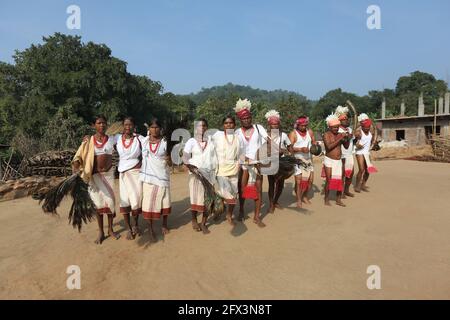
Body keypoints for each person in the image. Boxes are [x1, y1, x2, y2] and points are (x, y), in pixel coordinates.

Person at [72, 115, 120, 244]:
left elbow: (128, 135)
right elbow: (79, 155)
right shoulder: (89, 141)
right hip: (94, 177)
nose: (102, 125)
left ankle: (110, 229)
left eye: (104, 123)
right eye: (99, 123)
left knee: (110, 203)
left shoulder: (112, 139)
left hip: (108, 175)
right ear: (94, 125)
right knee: (98, 205)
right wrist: (76, 168)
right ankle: (101, 232)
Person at [235, 98, 269, 228]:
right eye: (244, 119)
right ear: (240, 120)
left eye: (248, 118)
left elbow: (267, 142)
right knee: (242, 190)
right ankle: (241, 210)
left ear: (251, 117)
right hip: (244, 165)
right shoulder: (237, 132)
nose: (247, 120)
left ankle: (256, 216)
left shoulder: (259, 128)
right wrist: (245, 159)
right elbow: (236, 149)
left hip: (257, 165)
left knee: (258, 191)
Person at [183, 118, 218, 234]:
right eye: (199, 126)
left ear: (207, 128)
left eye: (204, 126)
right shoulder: (191, 141)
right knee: (195, 198)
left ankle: (203, 223)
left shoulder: (211, 141)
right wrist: (189, 166)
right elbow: (186, 155)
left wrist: (215, 172)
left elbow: (215, 157)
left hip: (209, 174)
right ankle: (194, 220)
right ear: (195, 128)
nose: (201, 128)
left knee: (207, 199)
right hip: (195, 175)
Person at [140, 118, 172, 241]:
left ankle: (164, 224)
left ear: (161, 129)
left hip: (162, 176)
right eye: (152, 127)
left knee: (165, 201)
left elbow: (170, 163)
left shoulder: (165, 142)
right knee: (148, 203)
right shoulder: (144, 141)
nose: (154, 129)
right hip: (148, 177)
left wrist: (169, 159)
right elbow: (126, 136)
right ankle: (151, 228)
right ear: (149, 129)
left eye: (157, 127)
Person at [115, 117, 145, 240]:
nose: (128, 127)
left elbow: (152, 142)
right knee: (125, 200)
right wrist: (87, 139)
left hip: (136, 172)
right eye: (126, 125)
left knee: (136, 200)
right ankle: (128, 228)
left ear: (134, 126)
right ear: (123, 126)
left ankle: (135, 224)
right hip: (123, 173)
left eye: (130, 125)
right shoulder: (116, 138)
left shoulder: (139, 139)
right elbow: (101, 139)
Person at [212, 115, 240, 226]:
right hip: (221, 171)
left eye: (231, 123)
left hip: (234, 170)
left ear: (234, 125)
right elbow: (208, 145)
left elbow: (241, 153)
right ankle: (218, 210)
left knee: (233, 195)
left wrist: (240, 164)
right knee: (227, 195)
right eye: (226, 123)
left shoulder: (238, 137)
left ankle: (229, 214)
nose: (228, 125)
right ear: (223, 125)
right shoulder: (217, 135)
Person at [264, 110, 292, 213]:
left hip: (282, 163)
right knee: (271, 184)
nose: (275, 126)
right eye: (272, 124)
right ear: (269, 124)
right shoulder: (265, 135)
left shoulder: (283, 135)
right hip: (270, 162)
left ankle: (275, 201)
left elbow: (290, 148)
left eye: (276, 124)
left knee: (280, 184)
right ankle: (271, 204)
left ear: (279, 124)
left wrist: (284, 151)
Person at [288, 116, 316, 208]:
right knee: (299, 181)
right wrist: (300, 149)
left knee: (310, 180)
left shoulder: (310, 132)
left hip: (308, 160)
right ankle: (299, 199)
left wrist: (315, 146)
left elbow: (314, 142)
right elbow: (290, 148)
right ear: (298, 125)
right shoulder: (293, 134)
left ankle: (304, 196)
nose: (304, 127)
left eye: (305, 125)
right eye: (302, 126)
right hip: (298, 160)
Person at [322, 113, 348, 207]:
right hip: (329, 159)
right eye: (334, 127)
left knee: (340, 180)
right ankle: (326, 199)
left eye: (337, 127)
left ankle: (338, 199)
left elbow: (346, 146)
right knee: (329, 180)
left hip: (338, 160)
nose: (336, 129)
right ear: (329, 127)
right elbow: (328, 147)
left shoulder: (340, 134)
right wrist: (340, 139)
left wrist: (347, 139)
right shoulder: (326, 135)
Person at [354, 113, 378, 193]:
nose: (367, 128)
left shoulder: (371, 131)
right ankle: (357, 186)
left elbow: (372, 140)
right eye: (365, 127)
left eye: (368, 127)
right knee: (361, 169)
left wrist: (374, 145)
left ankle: (363, 185)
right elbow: (354, 141)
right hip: (359, 152)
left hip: (367, 153)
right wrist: (357, 145)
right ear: (362, 126)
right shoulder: (359, 132)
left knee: (368, 170)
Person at [335, 106, 355, 198]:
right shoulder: (337, 130)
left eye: (347, 119)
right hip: (341, 155)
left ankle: (346, 190)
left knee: (350, 174)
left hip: (350, 154)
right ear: (340, 121)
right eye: (344, 119)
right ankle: (340, 192)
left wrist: (356, 137)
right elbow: (343, 141)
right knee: (342, 175)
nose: (347, 121)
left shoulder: (350, 129)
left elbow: (352, 141)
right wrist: (348, 137)